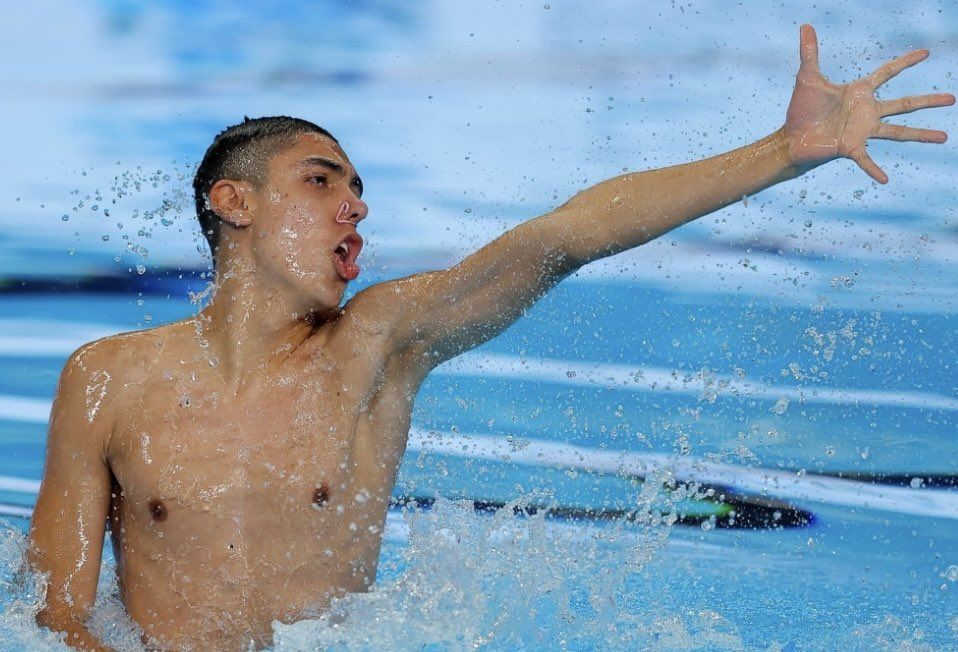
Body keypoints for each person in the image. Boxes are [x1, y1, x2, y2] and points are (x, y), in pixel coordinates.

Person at [26, 24, 953, 651]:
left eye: (358, 189)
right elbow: (58, 613)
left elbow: (563, 238)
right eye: (320, 181)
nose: (356, 205)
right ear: (234, 203)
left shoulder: (376, 345)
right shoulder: (106, 379)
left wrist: (783, 154)